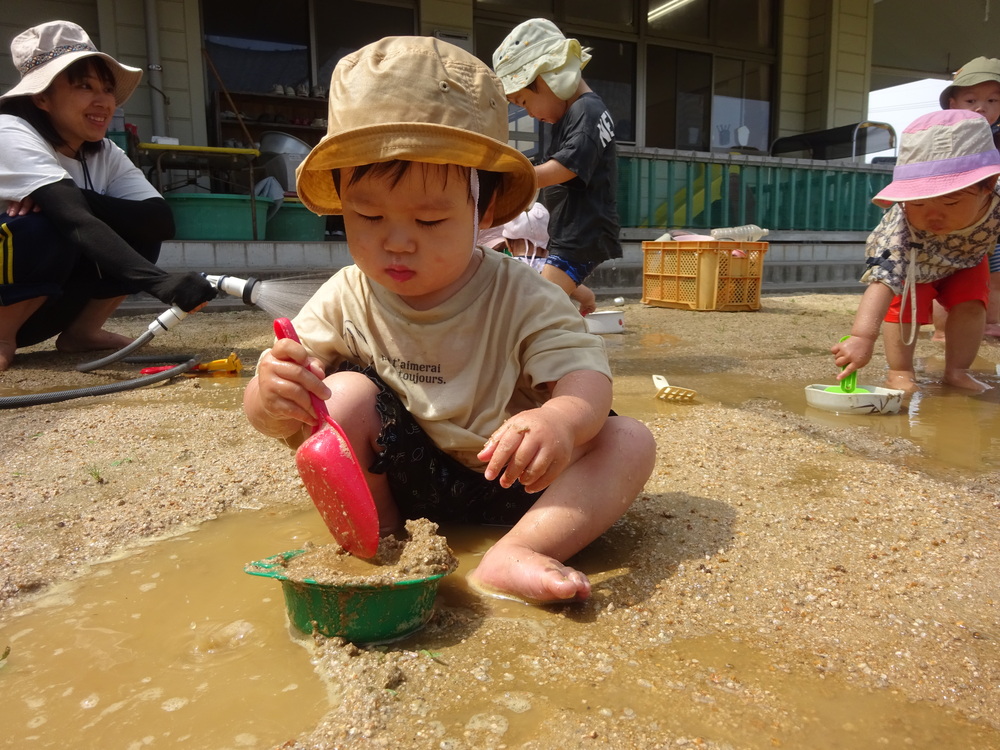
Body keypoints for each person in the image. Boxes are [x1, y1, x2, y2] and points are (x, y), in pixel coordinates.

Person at [243, 36, 656, 605]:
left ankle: (521, 550)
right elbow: (280, 410)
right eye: (367, 215)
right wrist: (270, 396)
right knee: (337, 396)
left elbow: (586, 376)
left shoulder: (523, 293)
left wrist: (560, 422)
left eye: (432, 220)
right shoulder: (346, 293)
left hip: (521, 476)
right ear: (341, 203)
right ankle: (382, 543)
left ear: (483, 210)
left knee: (628, 439)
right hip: (408, 479)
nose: (397, 242)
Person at [0, 20, 216, 371]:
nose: (103, 102)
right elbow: (74, 220)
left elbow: (158, 220)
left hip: (47, 305)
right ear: (42, 97)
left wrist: (68, 197)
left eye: (107, 89)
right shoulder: (9, 131)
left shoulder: (104, 152)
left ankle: (83, 331)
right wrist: (158, 283)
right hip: (10, 293)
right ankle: (2, 336)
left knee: (130, 229)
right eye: (85, 86)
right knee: (42, 228)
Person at [832, 110, 1000, 393]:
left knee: (972, 305)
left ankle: (957, 371)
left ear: (987, 186)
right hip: (913, 262)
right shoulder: (902, 227)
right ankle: (900, 371)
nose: (932, 216)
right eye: (918, 204)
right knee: (903, 311)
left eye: (949, 203)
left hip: (967, 259)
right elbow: (882, 284)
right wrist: (862, 337)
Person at [491, 19, 621, 317]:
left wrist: (516, 178)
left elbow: (566, 167)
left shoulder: (587, 112)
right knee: (550, 289)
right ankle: (580, 306)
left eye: (524, 101)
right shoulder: (574, 113)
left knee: (536, 307)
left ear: (552, 76)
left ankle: (565, 353)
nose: (530, 114)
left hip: (582, 233)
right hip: (571, 233)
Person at [932, 56, 1000, 341]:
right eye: (971, 100)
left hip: (992, 222)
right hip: (953, 220)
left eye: (993, 101)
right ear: (953, 104)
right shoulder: (943, 136)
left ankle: (990, 324)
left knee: (993, 275)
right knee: (944, 275)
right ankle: (942, 331)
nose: (982, 107)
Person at [483, 201, 597, 315]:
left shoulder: (503, 267)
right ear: (551, 242)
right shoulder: (553, 270)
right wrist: (588, 304)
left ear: (508, 244)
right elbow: (586, 295)